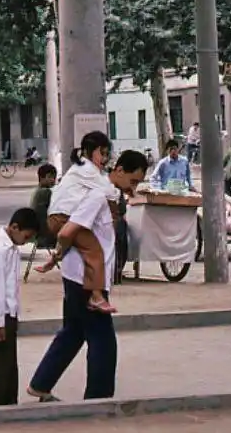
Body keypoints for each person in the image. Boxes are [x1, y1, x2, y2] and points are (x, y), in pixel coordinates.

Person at [26, 149, 148, 403]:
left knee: (73, 332)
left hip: (79, 276)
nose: (133, 188)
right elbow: (68, 231)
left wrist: (58, 257)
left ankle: (41, 384)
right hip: (85, 279)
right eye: (132, 181)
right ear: (119, 170)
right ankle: (99, 397)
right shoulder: (98, 195)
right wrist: (58, 255)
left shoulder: (107, 196)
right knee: (103, 340)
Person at [36, 131, 117, 314]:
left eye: (106, 154)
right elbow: (109, 192)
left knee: (70, 239)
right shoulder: (88, 170)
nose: (104, 159)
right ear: (89, 151)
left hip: (57, 217)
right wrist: (128, 194)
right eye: (101, 153)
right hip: (64, 217)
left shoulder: (78, 168)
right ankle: (96, 297)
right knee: (95, 252)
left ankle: (53, 259)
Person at [0, 207, 40, 407]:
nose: (26, 241)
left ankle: (7, 402)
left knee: (8, 366)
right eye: (26, 236)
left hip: (7, 313)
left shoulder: (10, 249)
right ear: (14, 227)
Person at [29, 164, 58, 248]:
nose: (52, 180)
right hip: (43, 235)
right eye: (49, 177)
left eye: (54, 177)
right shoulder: (45, 192)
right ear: (41, 178)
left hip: (38, 233)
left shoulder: (37, 190)